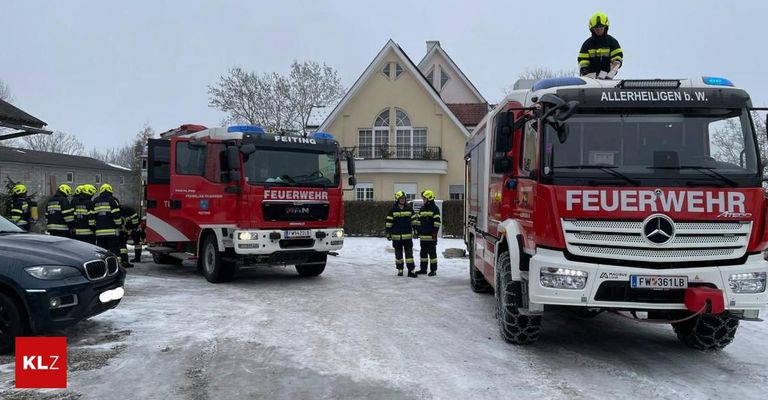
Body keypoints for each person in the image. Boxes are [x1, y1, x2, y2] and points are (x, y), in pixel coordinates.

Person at [578, 12, 623, 79]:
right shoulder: (587, 44)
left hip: (607, 78)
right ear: (592, 29)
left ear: (605, 27)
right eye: (596, 29)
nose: (599, 30)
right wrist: (584, 71)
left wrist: (614, 67)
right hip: (591, 79)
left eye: (601, 28)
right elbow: (583, 61)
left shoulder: (612, 42)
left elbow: (617, 57)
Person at [385, 191, 418, 278]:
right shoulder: (392, 210)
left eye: (404, 198)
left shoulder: (409, 209)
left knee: (409, 255)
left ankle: (411, 270)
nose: (403, 200)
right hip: (396, 237)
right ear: (397, 199)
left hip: (407, 237)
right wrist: (388, 233)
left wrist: (416, 230)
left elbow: (414, 221)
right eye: (401, 198)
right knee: (398, 255)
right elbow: (389, 223)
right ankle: (400, 270)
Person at [93, 183, 126, 266]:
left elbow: (92, 216)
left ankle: (102, 265)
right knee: (114, 250)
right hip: (111, 232)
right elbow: (116, 215)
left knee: (101, 251)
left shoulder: (95, 200)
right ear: (110, 191)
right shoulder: (112, 200)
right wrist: (119, 226)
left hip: (99, 232)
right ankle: (117, 265)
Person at [414, 189, 441, 276]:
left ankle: (433, 270)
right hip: (423, 237)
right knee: (423, 254)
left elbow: (437, 222)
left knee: (432, 255)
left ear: (429, 199)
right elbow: (418, 221)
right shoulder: (422, 209)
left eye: (424, 199)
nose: (423, 200)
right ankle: (423, 269)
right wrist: (417, 231)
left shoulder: (435, 209)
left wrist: (434, 233)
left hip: (431, 237)